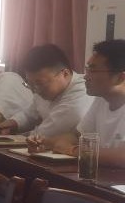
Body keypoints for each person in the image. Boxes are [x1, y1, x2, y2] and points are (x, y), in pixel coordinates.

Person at [39, 39, 125, 168]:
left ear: (120, 77)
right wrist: (44, 143)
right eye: (87, 69)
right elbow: (77, 135)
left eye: (93, 71)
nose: (85, 76)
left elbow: (122, 157)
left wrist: (73, 150)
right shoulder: (101, 100)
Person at [0, 43, 90, 140]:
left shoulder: (81, 94)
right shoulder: (42, 89)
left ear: (65, 74)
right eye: (30, 83)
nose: (35, 90)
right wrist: (11, 124)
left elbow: (47, 133)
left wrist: (13, 136)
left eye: (40, 83)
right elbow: (30, 114)